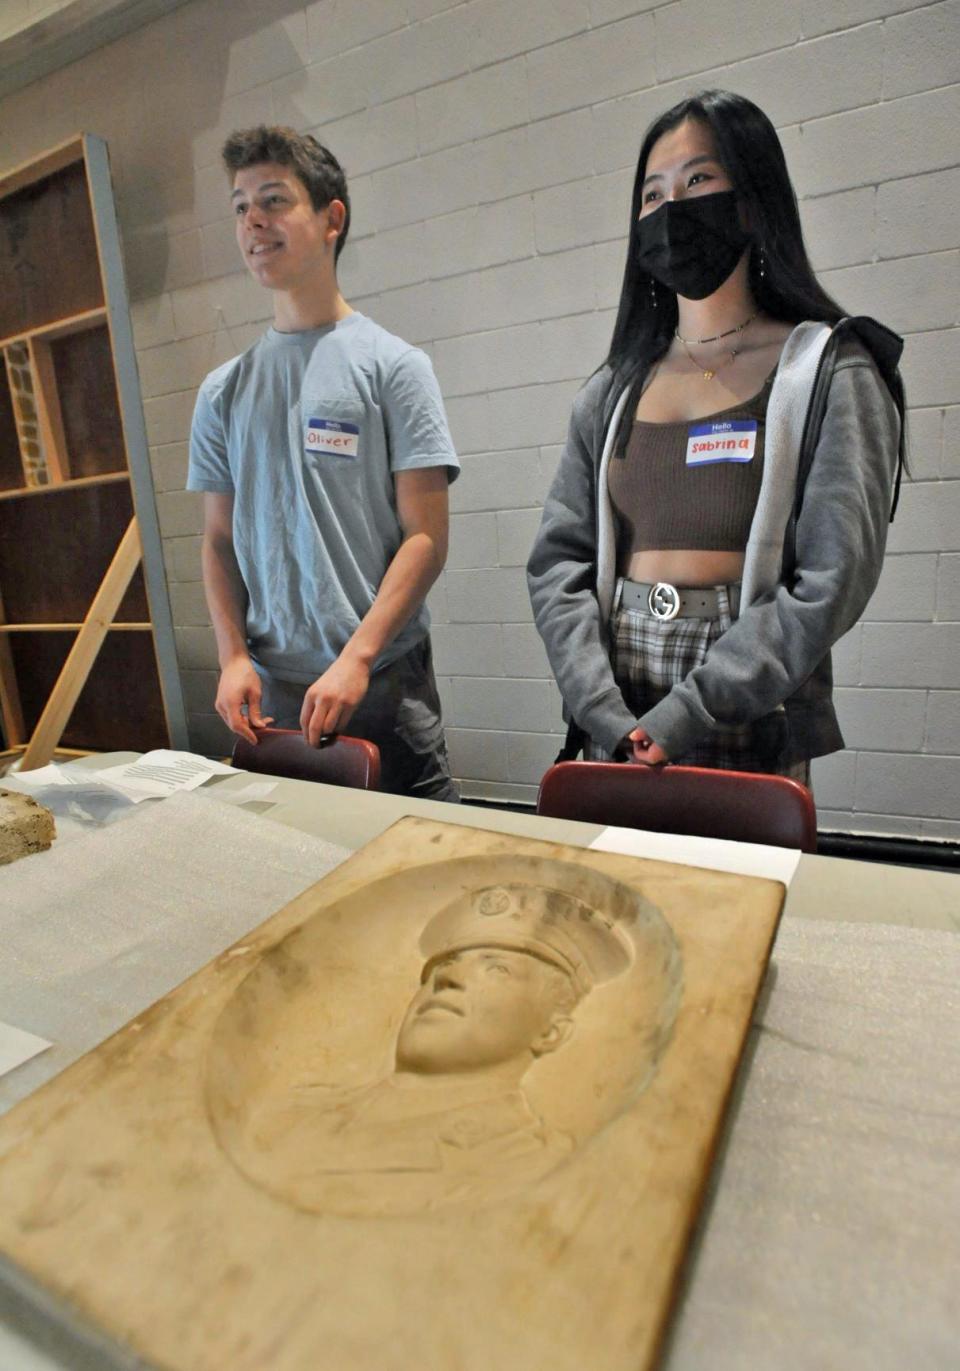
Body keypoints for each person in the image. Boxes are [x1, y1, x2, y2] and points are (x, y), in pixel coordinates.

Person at [527, 90, 906, 779]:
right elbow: (559, 565)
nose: (672, 209)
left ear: (751, 200)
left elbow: (833, 576)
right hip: (615, 716)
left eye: (698, 180)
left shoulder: (830, 371)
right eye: (651, 194)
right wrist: (604, 713)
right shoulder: (610, 391)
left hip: (746, 710)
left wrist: (690, 711)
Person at [187, 126, 460, 800]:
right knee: (294, 872)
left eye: (274, 200)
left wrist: (357, 658)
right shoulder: (223, 390)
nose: (253, 221)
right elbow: (219, 540)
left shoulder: (394, 367)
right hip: (272, 694)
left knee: (416, 867)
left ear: (331, 218)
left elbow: (425, 537)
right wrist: (230, 659)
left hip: (383, 682)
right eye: (240, 206)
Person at [238, 884, 634, 1216]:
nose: (449, 977)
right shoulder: (292, 1116)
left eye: (498, 970)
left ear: (551, 1033)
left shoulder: (530, 1167)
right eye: (443, 967)